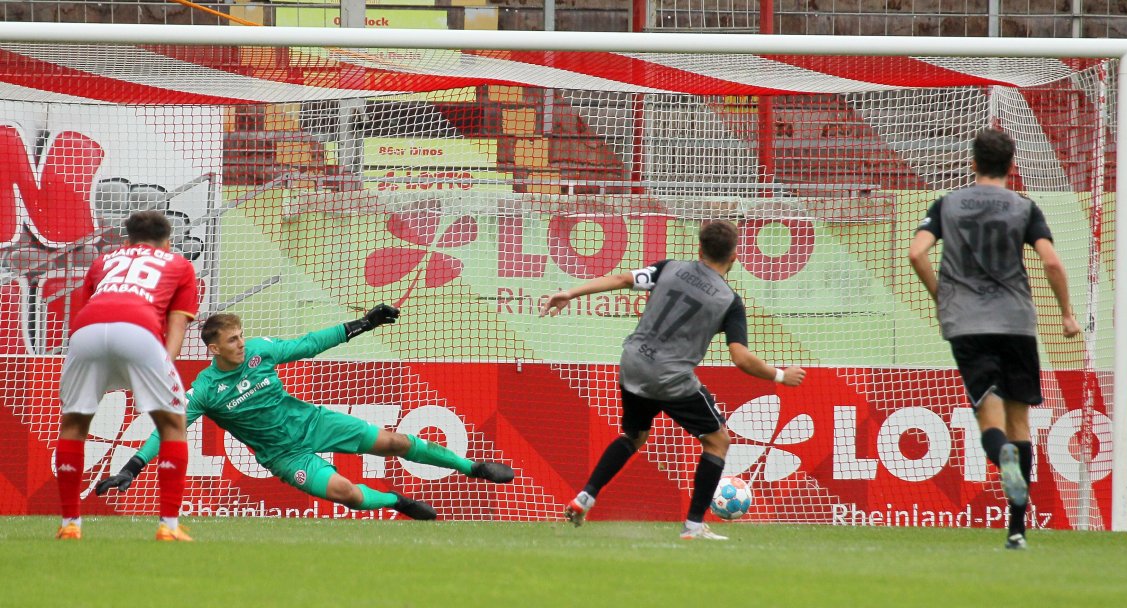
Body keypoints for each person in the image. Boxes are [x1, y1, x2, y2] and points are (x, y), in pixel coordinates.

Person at [96, 309, 515, 524]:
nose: (241, 344)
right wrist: (133, 468)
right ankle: (398, 503)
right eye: (232, 340)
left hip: (314, 422)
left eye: (241, 336)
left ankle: (472, 467)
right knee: (348, 494)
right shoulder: (205, 391)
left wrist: (364, 323)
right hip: (285, 457)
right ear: (214, 349)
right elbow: (167, 430)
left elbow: (310, 344)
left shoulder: (261, 351)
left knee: (397, 442)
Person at [541, 219, 806, 540]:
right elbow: (741, 358)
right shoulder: (729, 302)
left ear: (699, 249)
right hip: (670, 377)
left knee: (634, 436)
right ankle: (694, 525)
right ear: (735, 256)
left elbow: (623, 278)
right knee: (718, 441)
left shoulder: (670, 268)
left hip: (633, 362)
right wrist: (780, 374)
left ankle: (585, 497)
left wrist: (570, 292)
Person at [908, 128, 1082, 550]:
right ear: (1012, 167)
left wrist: (942, 295)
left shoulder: (947, 204)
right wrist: (1066, 313)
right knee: (1021, 420)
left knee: (991, 417)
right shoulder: (1024, 207)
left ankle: (998, 450)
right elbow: (1052, 262)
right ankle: (1017, 530)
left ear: (972, 164)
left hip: (967, 323)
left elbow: (916, 252)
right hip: (1017, 322)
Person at [56, 210, 199, 541]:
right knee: (172, 424)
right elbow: (177, 324)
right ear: (167, 243)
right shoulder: (178, 264)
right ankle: (169, 526)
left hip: (86, 331)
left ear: (127, 240)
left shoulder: (103, 262)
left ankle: (69, 524)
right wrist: (162, 367)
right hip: (138, 329)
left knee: (75, 424)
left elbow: (87, 309)